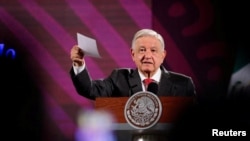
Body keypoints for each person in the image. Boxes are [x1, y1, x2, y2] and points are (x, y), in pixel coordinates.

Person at [70, 29, 196, 100]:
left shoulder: (183, 84)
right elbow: (90, 90)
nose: (147, 56)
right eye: (141, 50)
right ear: (133, 54)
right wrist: (79, 64)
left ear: (163, 55)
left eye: (153, 51)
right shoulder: (119, 78)